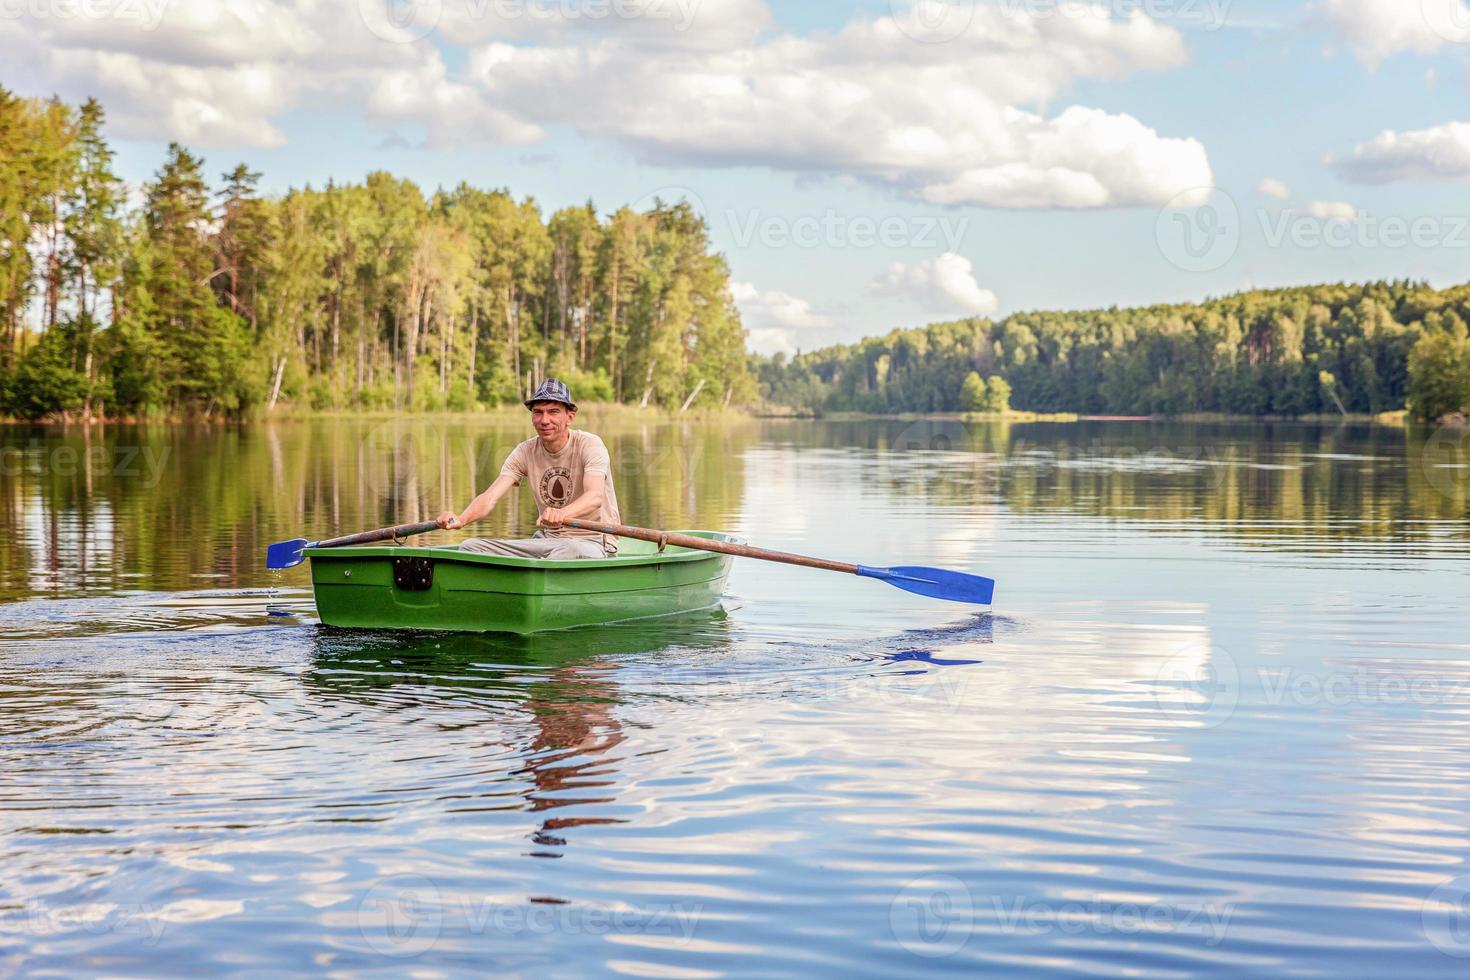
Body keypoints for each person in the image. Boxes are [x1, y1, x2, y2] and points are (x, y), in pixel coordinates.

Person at [435, 378, 621, 558]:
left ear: (570, 417)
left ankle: (538, 574)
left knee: (568, 551)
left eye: (553, 412)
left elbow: (594, 497)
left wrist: (562, 513)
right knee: (470, 547)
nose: (544, 420)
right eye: (538, 412)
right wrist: (461, 520)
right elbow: (490, 497)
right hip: (547, 539)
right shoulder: (524, 451)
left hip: (595, 541)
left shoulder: (590, 444)